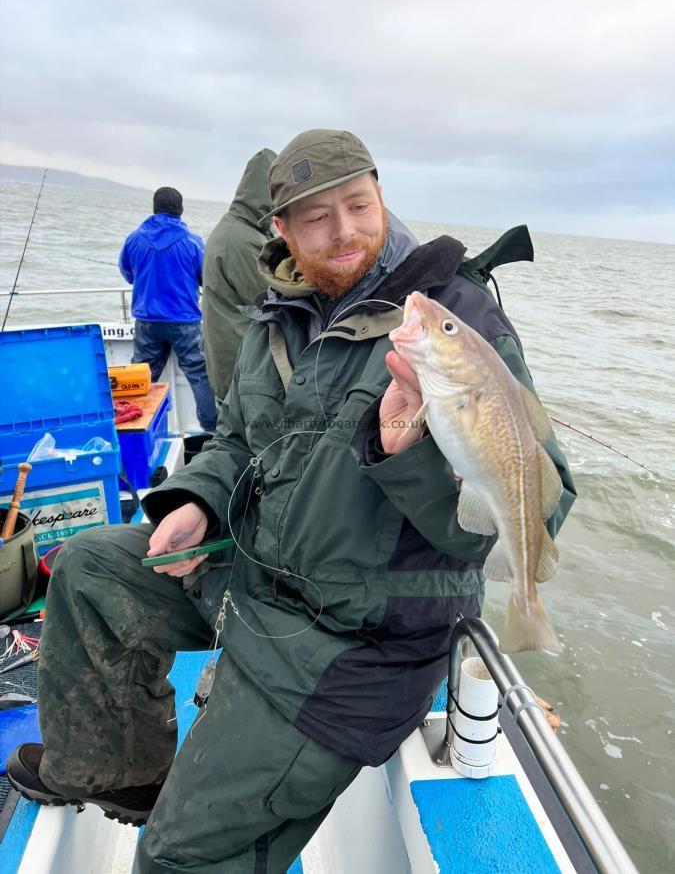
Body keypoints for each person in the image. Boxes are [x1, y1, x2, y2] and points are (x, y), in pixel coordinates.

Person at [7, 130, 576, 873]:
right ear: (280, 230)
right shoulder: (279, 315)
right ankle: (123, 774)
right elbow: (238, 439)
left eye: (358, 205)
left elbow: (540, 505)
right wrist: (201, 503)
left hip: (354, 642)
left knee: (178, 855)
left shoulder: (455, 321)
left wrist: (402, 455)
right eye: (315, 217)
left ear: (381, 195)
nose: (343, 231)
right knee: (88, 567)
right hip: (254, 575)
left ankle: (190, 819)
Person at [118, 186, 217, 432]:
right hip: (184, 321)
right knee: (198, 374)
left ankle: (133, 429)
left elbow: (127, 273)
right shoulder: (193, 243)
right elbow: (205, 277)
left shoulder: (134, 239)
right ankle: (211, 428)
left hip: (147, 322)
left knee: (141, 378)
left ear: (154, 207)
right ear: (180, 210)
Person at [202, 148, 277, 404]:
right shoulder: (242, 241)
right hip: (242, 373)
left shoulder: (237, 228)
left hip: (232, 365)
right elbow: (272, 303)